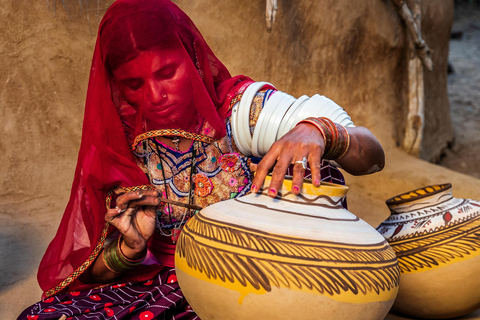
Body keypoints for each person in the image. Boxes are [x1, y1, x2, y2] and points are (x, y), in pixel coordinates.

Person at [18, 0, 385, 319]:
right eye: (134, 84)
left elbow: (372, 156)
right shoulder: (127, 140)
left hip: (271, 276)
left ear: (193, 57)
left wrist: (318, 131)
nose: (156, 96)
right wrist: (131, 248)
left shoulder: (245, 113)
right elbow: (90, 270)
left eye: (167, 73)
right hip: (175, 281)